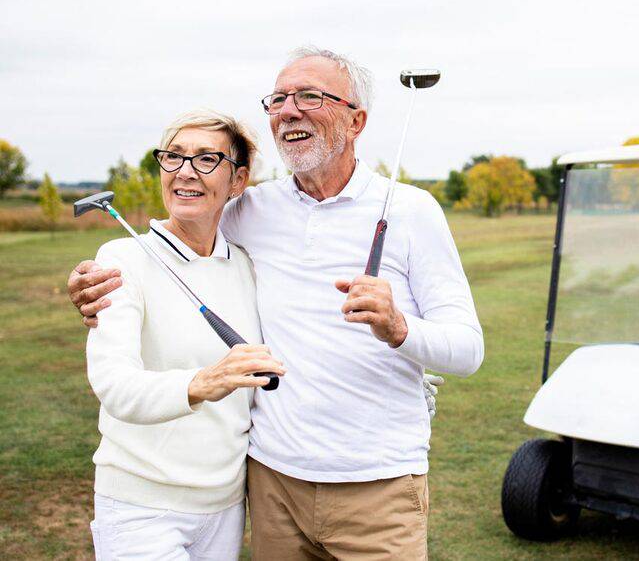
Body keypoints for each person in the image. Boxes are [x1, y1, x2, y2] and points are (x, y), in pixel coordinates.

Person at [69, 46, 484, 560]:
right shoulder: (250, 211)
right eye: (279, 100)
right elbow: (176, 242)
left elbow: (468, 349)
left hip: (377, 486)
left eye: (310, 97)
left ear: (356, 120)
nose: (289, 111)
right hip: (271, 486)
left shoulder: (413, 211)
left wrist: (400, 329)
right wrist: (95, 285)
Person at [85, 109, 287, 559]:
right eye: (173, 157)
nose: (185, 173)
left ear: (237, 182)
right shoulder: (121, 258)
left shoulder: (249, 268)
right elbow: (115, 387)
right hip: (141, 507)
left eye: (206, 160)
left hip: (227, 506)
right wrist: (204, 381)